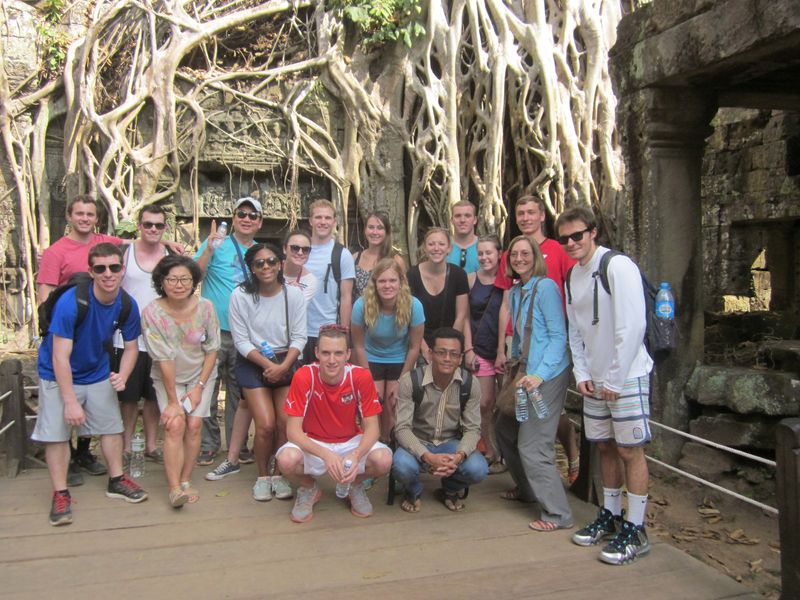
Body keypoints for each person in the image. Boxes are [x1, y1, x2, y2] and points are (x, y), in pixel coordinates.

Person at [37, 195, 180, 483]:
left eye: (90, 214)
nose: (85, 219)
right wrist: (53, 326)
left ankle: (91, 458)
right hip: (70, 326)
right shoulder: (57, 253)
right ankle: (65, 475)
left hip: (100, 337)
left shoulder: (110, 248)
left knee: (104, 411)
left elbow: (138, 241)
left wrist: (165, 243)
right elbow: (46, 293)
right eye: (79, 213)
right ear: (69, 216)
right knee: (66, 409)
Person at [556, 206, 653, 565]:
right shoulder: (573, 276)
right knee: (606, 447)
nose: (571, 243)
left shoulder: (617, 266)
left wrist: (614, 377)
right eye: (564, 238)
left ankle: (637, 526)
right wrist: (582, 373)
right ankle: (610, 515)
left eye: (577, 235)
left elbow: (633, 325)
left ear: (593, 232)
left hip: (626, 375)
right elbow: (576, 330)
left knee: (630, 449)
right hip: (595, 379)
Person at [32, 243, 148, 526]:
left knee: (111, 427)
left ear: (123, 269)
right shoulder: (72, 302)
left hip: (96, 369)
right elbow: (60, 356)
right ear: (91, 271)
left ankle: (117, 479)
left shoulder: (126, 303)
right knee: (58, 433)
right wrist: (70, 400)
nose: (108, 274)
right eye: (100, 268)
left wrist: (122, 374)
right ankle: (60, 493)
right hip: (57, 372)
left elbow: (132, 347)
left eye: (114, 267)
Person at [207, 244, 307, 503]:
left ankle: (279, 474)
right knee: (265, 425)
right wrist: (267, 365)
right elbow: (240, 340)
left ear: (280, 264)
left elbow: (299, 336)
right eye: (259, 263)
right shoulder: (240, 295)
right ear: (251, 268)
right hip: (252, 361)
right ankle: (263, 476)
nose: (266, 267)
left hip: (285, 358)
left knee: (285, 421)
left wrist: (283, 367)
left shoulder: (292, 295)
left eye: (271, 261)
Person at [495, 195, 580, 484]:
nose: (526, 217)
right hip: (522, 348)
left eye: (531, 212)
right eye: (520, 213)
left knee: (545, 418)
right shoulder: (514, 265)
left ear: (542, 215)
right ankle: (527, 484)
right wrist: (506, 347)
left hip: (550, 346)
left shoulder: (557, 250)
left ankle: (554, 481)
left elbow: (573, 288)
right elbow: (508, 301)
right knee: (511, 417)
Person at [494, 236, 573, 532]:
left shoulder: (546, 288)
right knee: (505, 429)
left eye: (525, 253)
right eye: (514, 254)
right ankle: (528, 489)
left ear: (536, 256)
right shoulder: (517, 292)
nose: (519, 258)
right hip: (524, 374)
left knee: (533, 443)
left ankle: (557, 513)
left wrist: (540, 375)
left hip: (546, 377)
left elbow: (557, 337)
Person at [276, 326, 392, 523]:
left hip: (350, 441)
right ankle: (309, 488)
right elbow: (292, 431)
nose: (332, 360)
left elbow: (373, 428)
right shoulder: (305, 376)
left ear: (348, 354)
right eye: (326, 353)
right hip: (313, 441)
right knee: (286, 460)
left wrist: (355, 455)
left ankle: (354, 486)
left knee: (384, 460)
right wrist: (326, 454)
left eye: (338, 353)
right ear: (316, 353)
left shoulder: (360, 377)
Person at [141, 255, 220, 507]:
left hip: (201, 374)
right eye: (172, 279)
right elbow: (164, 359)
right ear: (161, 282)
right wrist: (174, 401)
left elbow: (212, 349)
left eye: (185, 279)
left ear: (194, 281)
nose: (179, 284)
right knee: (175, 424)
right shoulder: (152, 313)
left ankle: (186, 479)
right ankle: (174, 488)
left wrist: (198, 388)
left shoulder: (206, 307)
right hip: (169, 377)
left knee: (195, 424)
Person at [194, 196, 263, 466]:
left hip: (245, 332)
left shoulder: (260, 252)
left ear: (260, 222)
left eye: (252, 215)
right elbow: (194, 276)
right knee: (208, 388)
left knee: (239, 391)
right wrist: (209, 250)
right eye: (241, 214)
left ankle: (238, 444)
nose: (246, 219)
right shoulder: (216, 244)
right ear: (233, 218)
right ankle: (209, 444)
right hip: (213, 329)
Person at [392, 327, 488, 513]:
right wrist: (427, 456)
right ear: (430, 353)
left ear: (461, 358)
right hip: (418, 441)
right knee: (401, 465)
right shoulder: (410, 381)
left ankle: (449, 489)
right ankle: (413, 491)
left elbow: (473, 429)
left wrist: (458, 456)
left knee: (478, 469)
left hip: (450, 444)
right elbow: (402, 428)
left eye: (453, 354)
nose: (447, 359)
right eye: (441, 352)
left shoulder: (470, 384)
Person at [113, 204, 169, 466]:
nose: (153, 229)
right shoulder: (125, 252)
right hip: (127, 336)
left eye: (159, 225)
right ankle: (125, 445)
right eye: (148, 224)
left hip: (159, 336)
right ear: (139, 226)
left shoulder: (169, 254)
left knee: (154, 395)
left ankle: (150, 444)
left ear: (165, 228)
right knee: (128, 397)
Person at [350, 258, 424, 440]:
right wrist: (366, 378)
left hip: (399, 358)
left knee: (393, 402)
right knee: (374, 401)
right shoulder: (361, 305)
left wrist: (401, 380)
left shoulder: (414, 305)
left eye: (392, 280)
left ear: (401, 282)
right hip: (370, 356)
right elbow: (357, 345)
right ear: (374, 284)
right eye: (382, 281)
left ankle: (389, 444)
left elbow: (415, 347)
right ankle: (372, 444)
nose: (387, 285)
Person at [464, 235, 504, 469]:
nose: (484, 257)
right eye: (480, 253)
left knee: (506, 403)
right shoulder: (471, 280)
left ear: (499, 253)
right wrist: (468, 348)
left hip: (505, 349)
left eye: (489, 252)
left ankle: (505, 450)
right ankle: (489, 449)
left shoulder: (508, 281)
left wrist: (503, 348)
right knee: (485, 402)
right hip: (480, 348)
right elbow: (465, 317)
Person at [303, 199, 355, 364]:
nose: (323, 222)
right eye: (318, 217)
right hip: (299, 331)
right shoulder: (299, 250)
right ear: (311, 220)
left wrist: (344, 334)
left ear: (334, 222)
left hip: (328, 331)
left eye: (327, 218)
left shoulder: (342, 254)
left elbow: (347, 296)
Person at [407, 227, 469, 363]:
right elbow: (408, 317)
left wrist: (449, 349)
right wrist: (425, 350)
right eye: (431, 244)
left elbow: (460, 316)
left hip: (450, 341)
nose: (436, 248)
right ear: (424, 248)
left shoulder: (459, 275)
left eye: (441, 244)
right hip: (420, 341)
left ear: (449, 248)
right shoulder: (412, 275)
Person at [352, 211, 406, 300]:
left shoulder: (396, 260)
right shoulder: (355, 258)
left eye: (380, 228)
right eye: (371, 227)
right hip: (358, 312)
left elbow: (403, 293)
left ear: (386, 232)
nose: (375, 232)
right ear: (365, 230)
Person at [282, 229, 318, 306]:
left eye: (306, 249)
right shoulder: (271, 269)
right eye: (295, 248)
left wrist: (294, 293)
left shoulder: (310, 281)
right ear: (284, 249)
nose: (300, 253)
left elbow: (297, 309)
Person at [446, 200, 480, 273]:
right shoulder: (442, 247)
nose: (462, 220)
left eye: (467, 216)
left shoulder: (485, 247)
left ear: (475, 220)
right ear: (451, 220)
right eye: (458, 216)